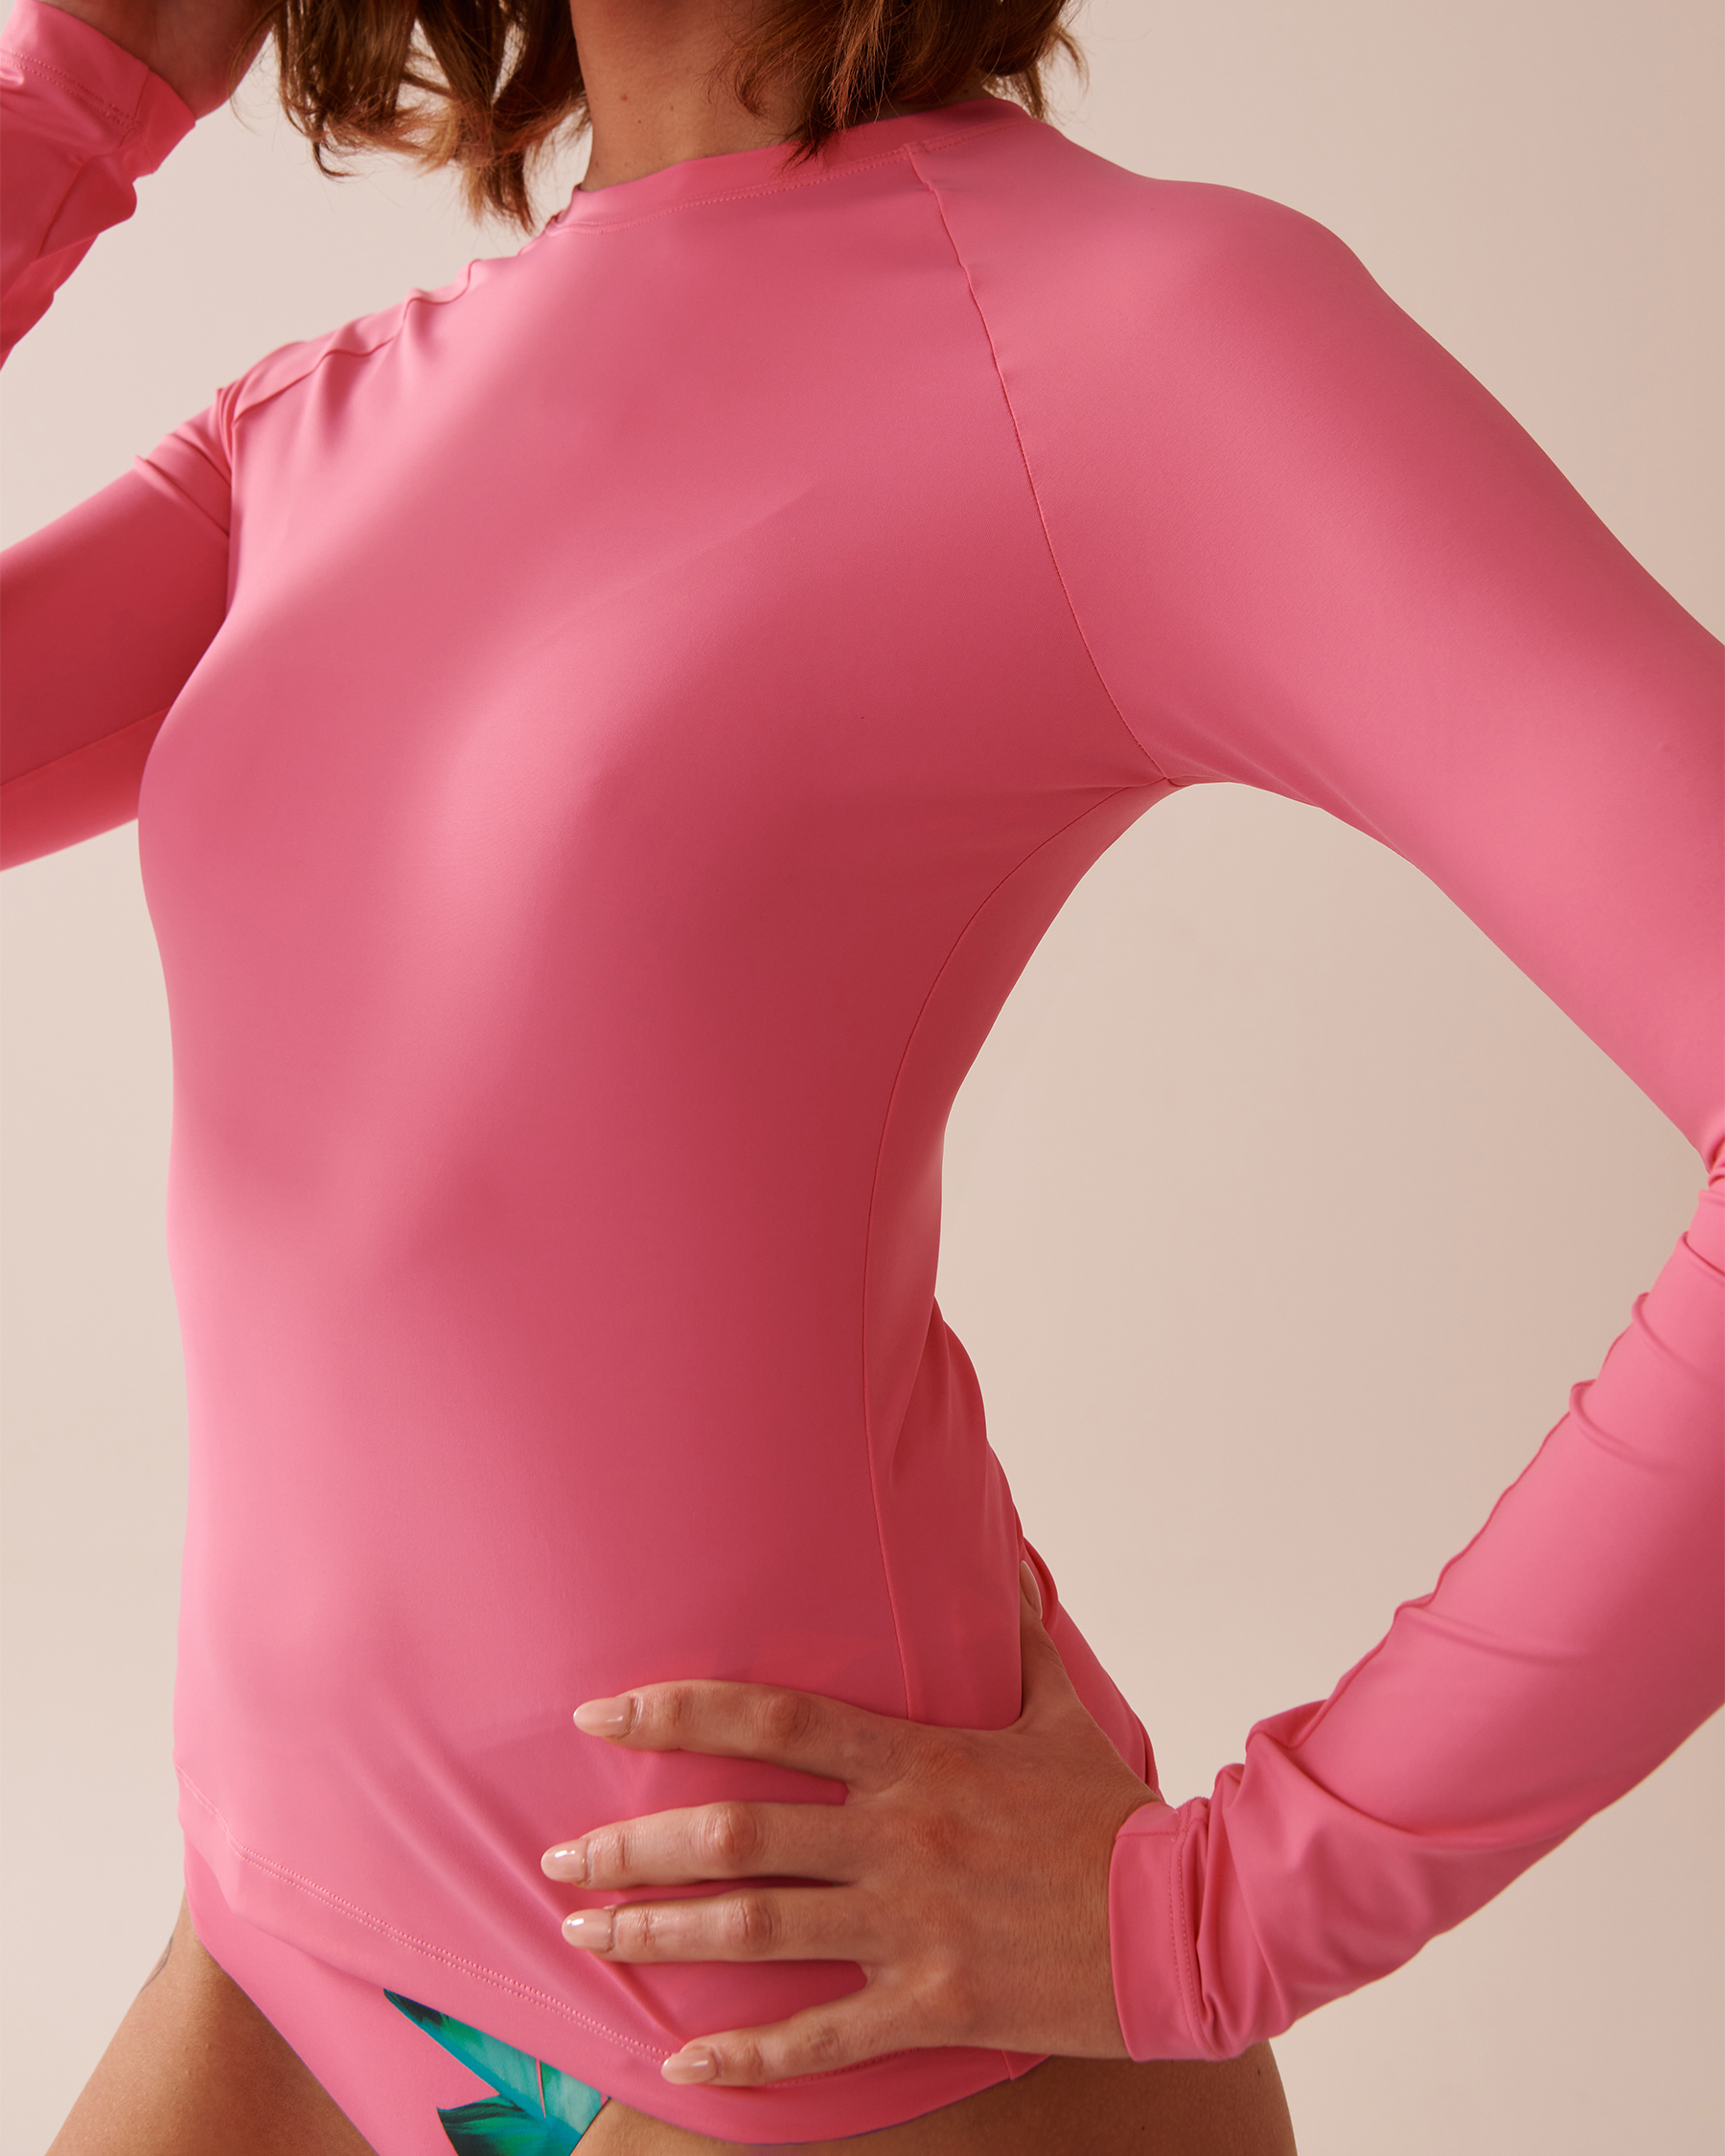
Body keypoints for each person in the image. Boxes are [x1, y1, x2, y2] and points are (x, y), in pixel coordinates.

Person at [2, 0, 1717, 2147]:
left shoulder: (1133, 336)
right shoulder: (314, 428)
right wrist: (94, 73)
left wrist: (1233, 1909)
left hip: (810, 2040)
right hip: (278, 1947)